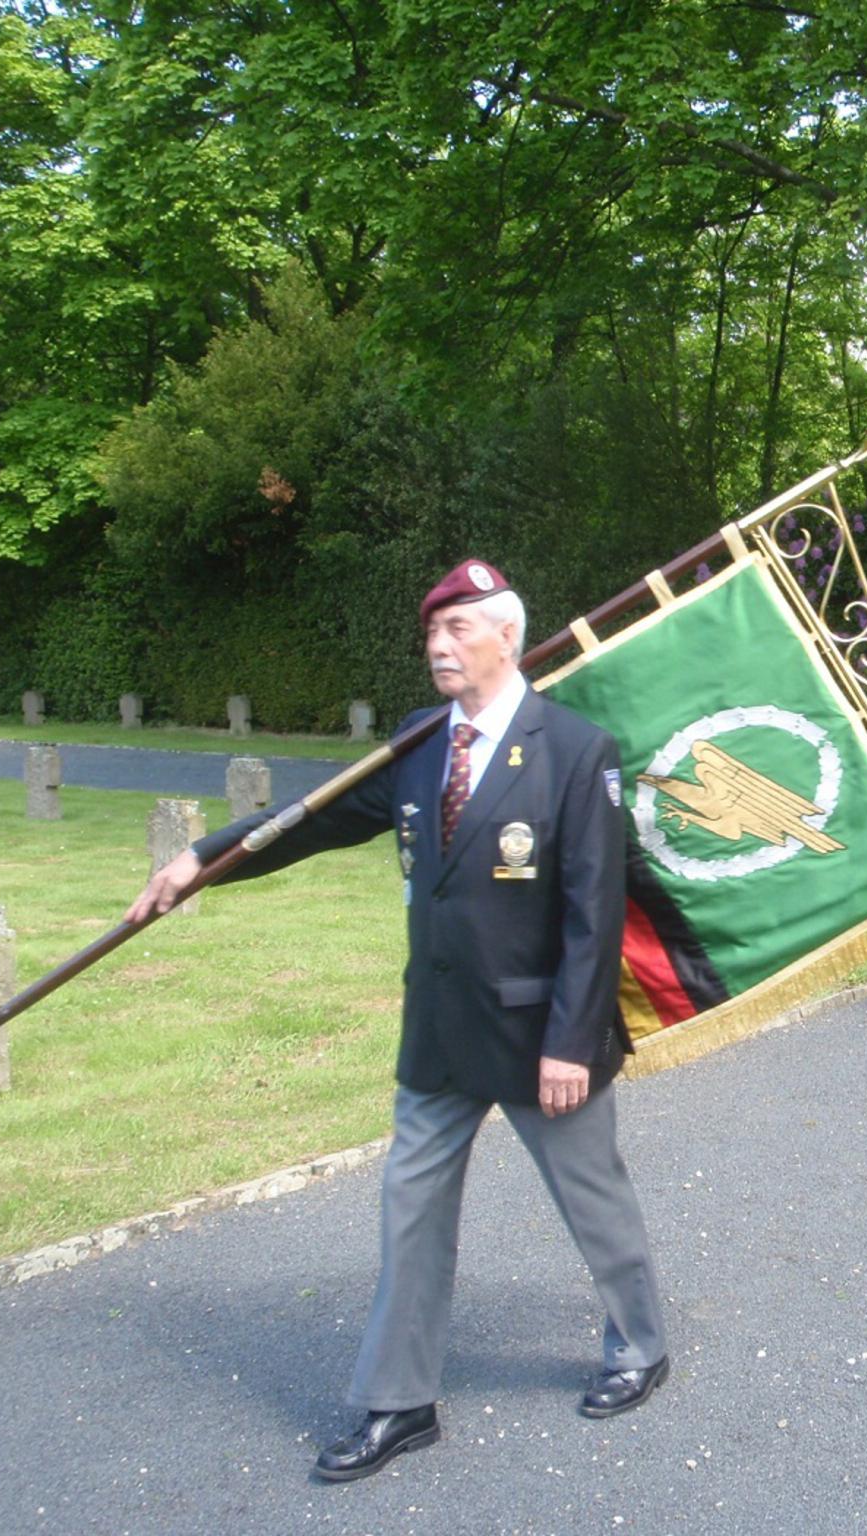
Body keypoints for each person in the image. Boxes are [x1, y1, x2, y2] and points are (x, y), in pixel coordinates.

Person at [129, 559, 670, 1482]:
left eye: (457, 628)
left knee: (594, 1199)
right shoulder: (421, 747)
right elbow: (311, 821)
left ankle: (638, 1343)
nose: (437, 645)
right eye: (432, 632)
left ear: (508, 634)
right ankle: (399, 1401)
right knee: (410, 1213)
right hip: (440, 1037)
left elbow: (595, 915)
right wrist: (200, 859)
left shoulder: (577, 750)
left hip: (544, 1038)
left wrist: (573, 1043)